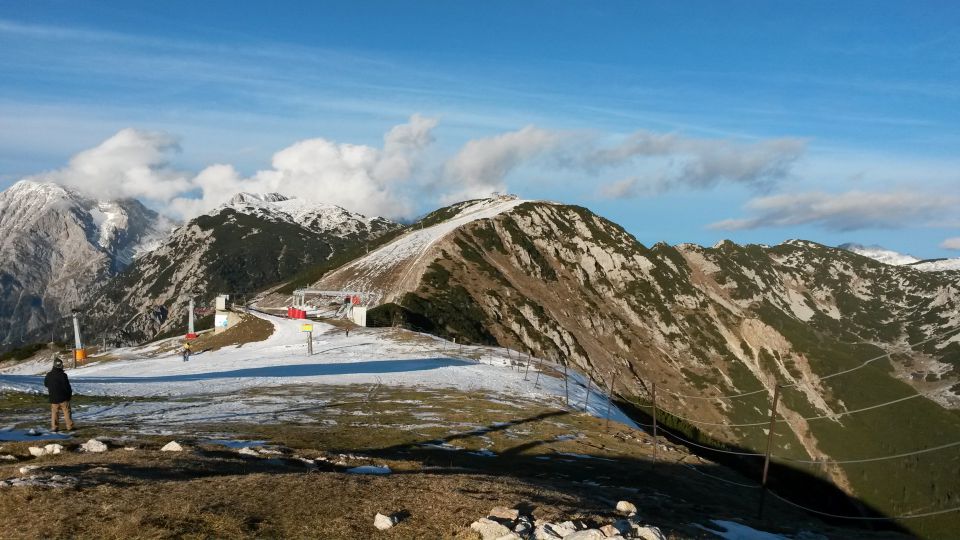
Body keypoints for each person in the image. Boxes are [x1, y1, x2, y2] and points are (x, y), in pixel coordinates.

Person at [44, 356, 74, 432]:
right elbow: (67, 387)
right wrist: (69, 395)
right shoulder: (63, 375)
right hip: (64, 397)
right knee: (67, 412)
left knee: (54, 413)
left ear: (53, 365)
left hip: (53, 397)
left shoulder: (49, 375)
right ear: (61, 365)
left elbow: (46, 384)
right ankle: (69, 427)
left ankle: (54, 427)